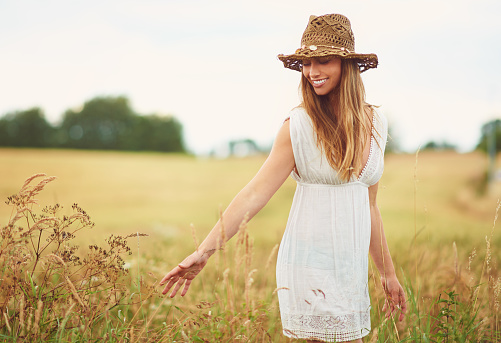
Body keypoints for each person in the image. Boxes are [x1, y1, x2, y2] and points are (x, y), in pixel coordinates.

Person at [160, 13, 407, 343]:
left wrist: (387, 273)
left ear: (347, 65)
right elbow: (254, 194)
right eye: (306, 63)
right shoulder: (298, 126)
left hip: (350, 272)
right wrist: (203, 252)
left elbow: (370, 207)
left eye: (323, 60)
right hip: (310, 268)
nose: (312, 72)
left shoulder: (377, 123)